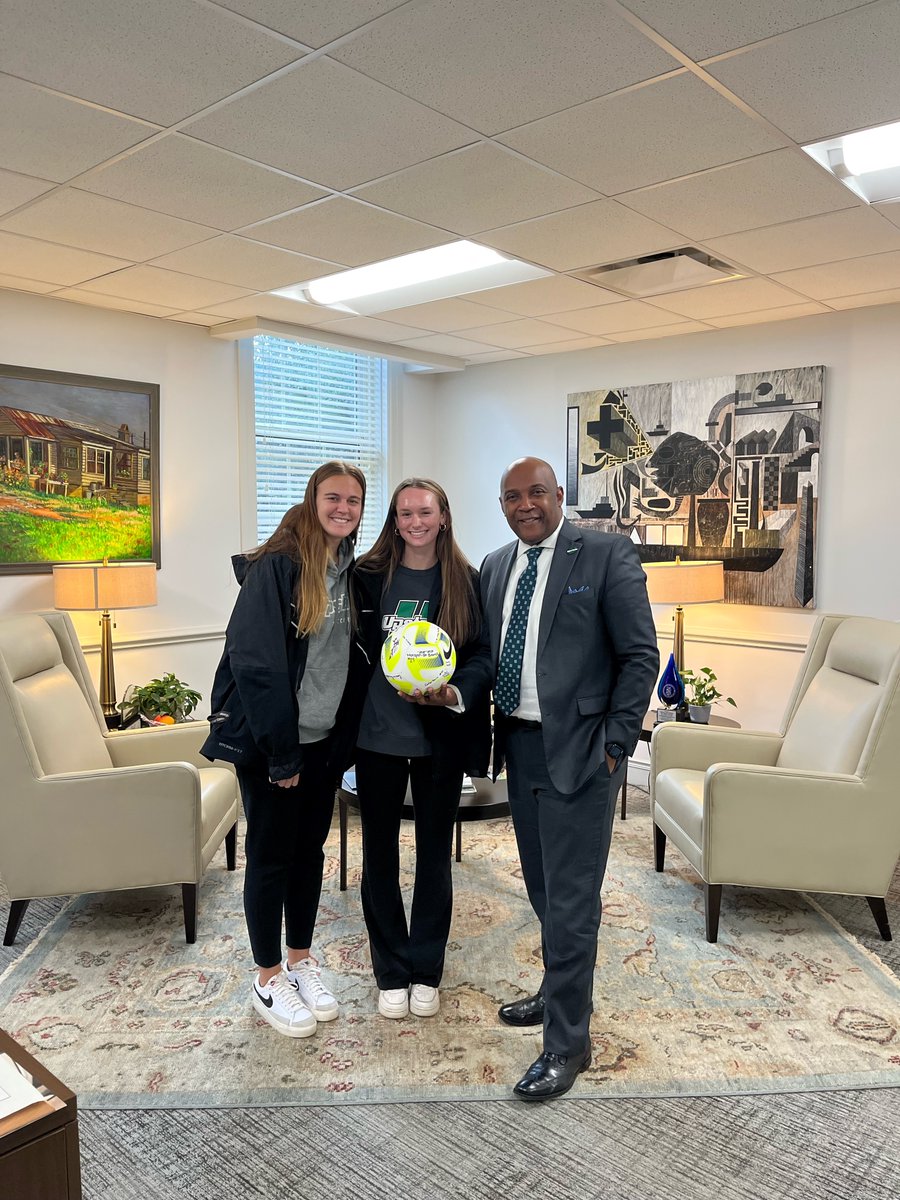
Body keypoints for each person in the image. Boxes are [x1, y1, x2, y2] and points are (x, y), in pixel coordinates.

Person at [479, 456, 658, 1099]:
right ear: (501, 505)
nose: (524, 505)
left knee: (574, 899)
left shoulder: (605, 555)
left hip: (583, 752)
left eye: (535, 493)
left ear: (559, 495)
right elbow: (487, 654)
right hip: (519, 749)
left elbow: (640, 655)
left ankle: (567, 1044)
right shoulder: (497, 566)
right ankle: (558, 992)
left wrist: (616, 744)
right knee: (541, 889)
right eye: (510, 497)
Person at [201, 461, 367, 1038]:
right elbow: (258, 666)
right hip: (277, 748)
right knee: (271, 858)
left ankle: (301, 959)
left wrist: (337, 744)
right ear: (312, 499)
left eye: (353, 500)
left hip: (323, 746)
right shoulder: (277, 568)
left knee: (309, 855)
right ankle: (267, 975)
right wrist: (281, 754)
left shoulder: (349, 570)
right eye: (333, 498)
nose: (343, 508)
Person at [353, 478, 491, 1020]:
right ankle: (391, 970)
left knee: (435, 856)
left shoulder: (465, 580)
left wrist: (456, 692)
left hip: (439, 742)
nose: (415, 521)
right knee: (378, 856)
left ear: (443, 516)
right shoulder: (367, 577)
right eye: (405, 512)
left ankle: (426, 970)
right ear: (394, 518)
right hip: (376, 740)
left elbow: (480, 654)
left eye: (424, 512)